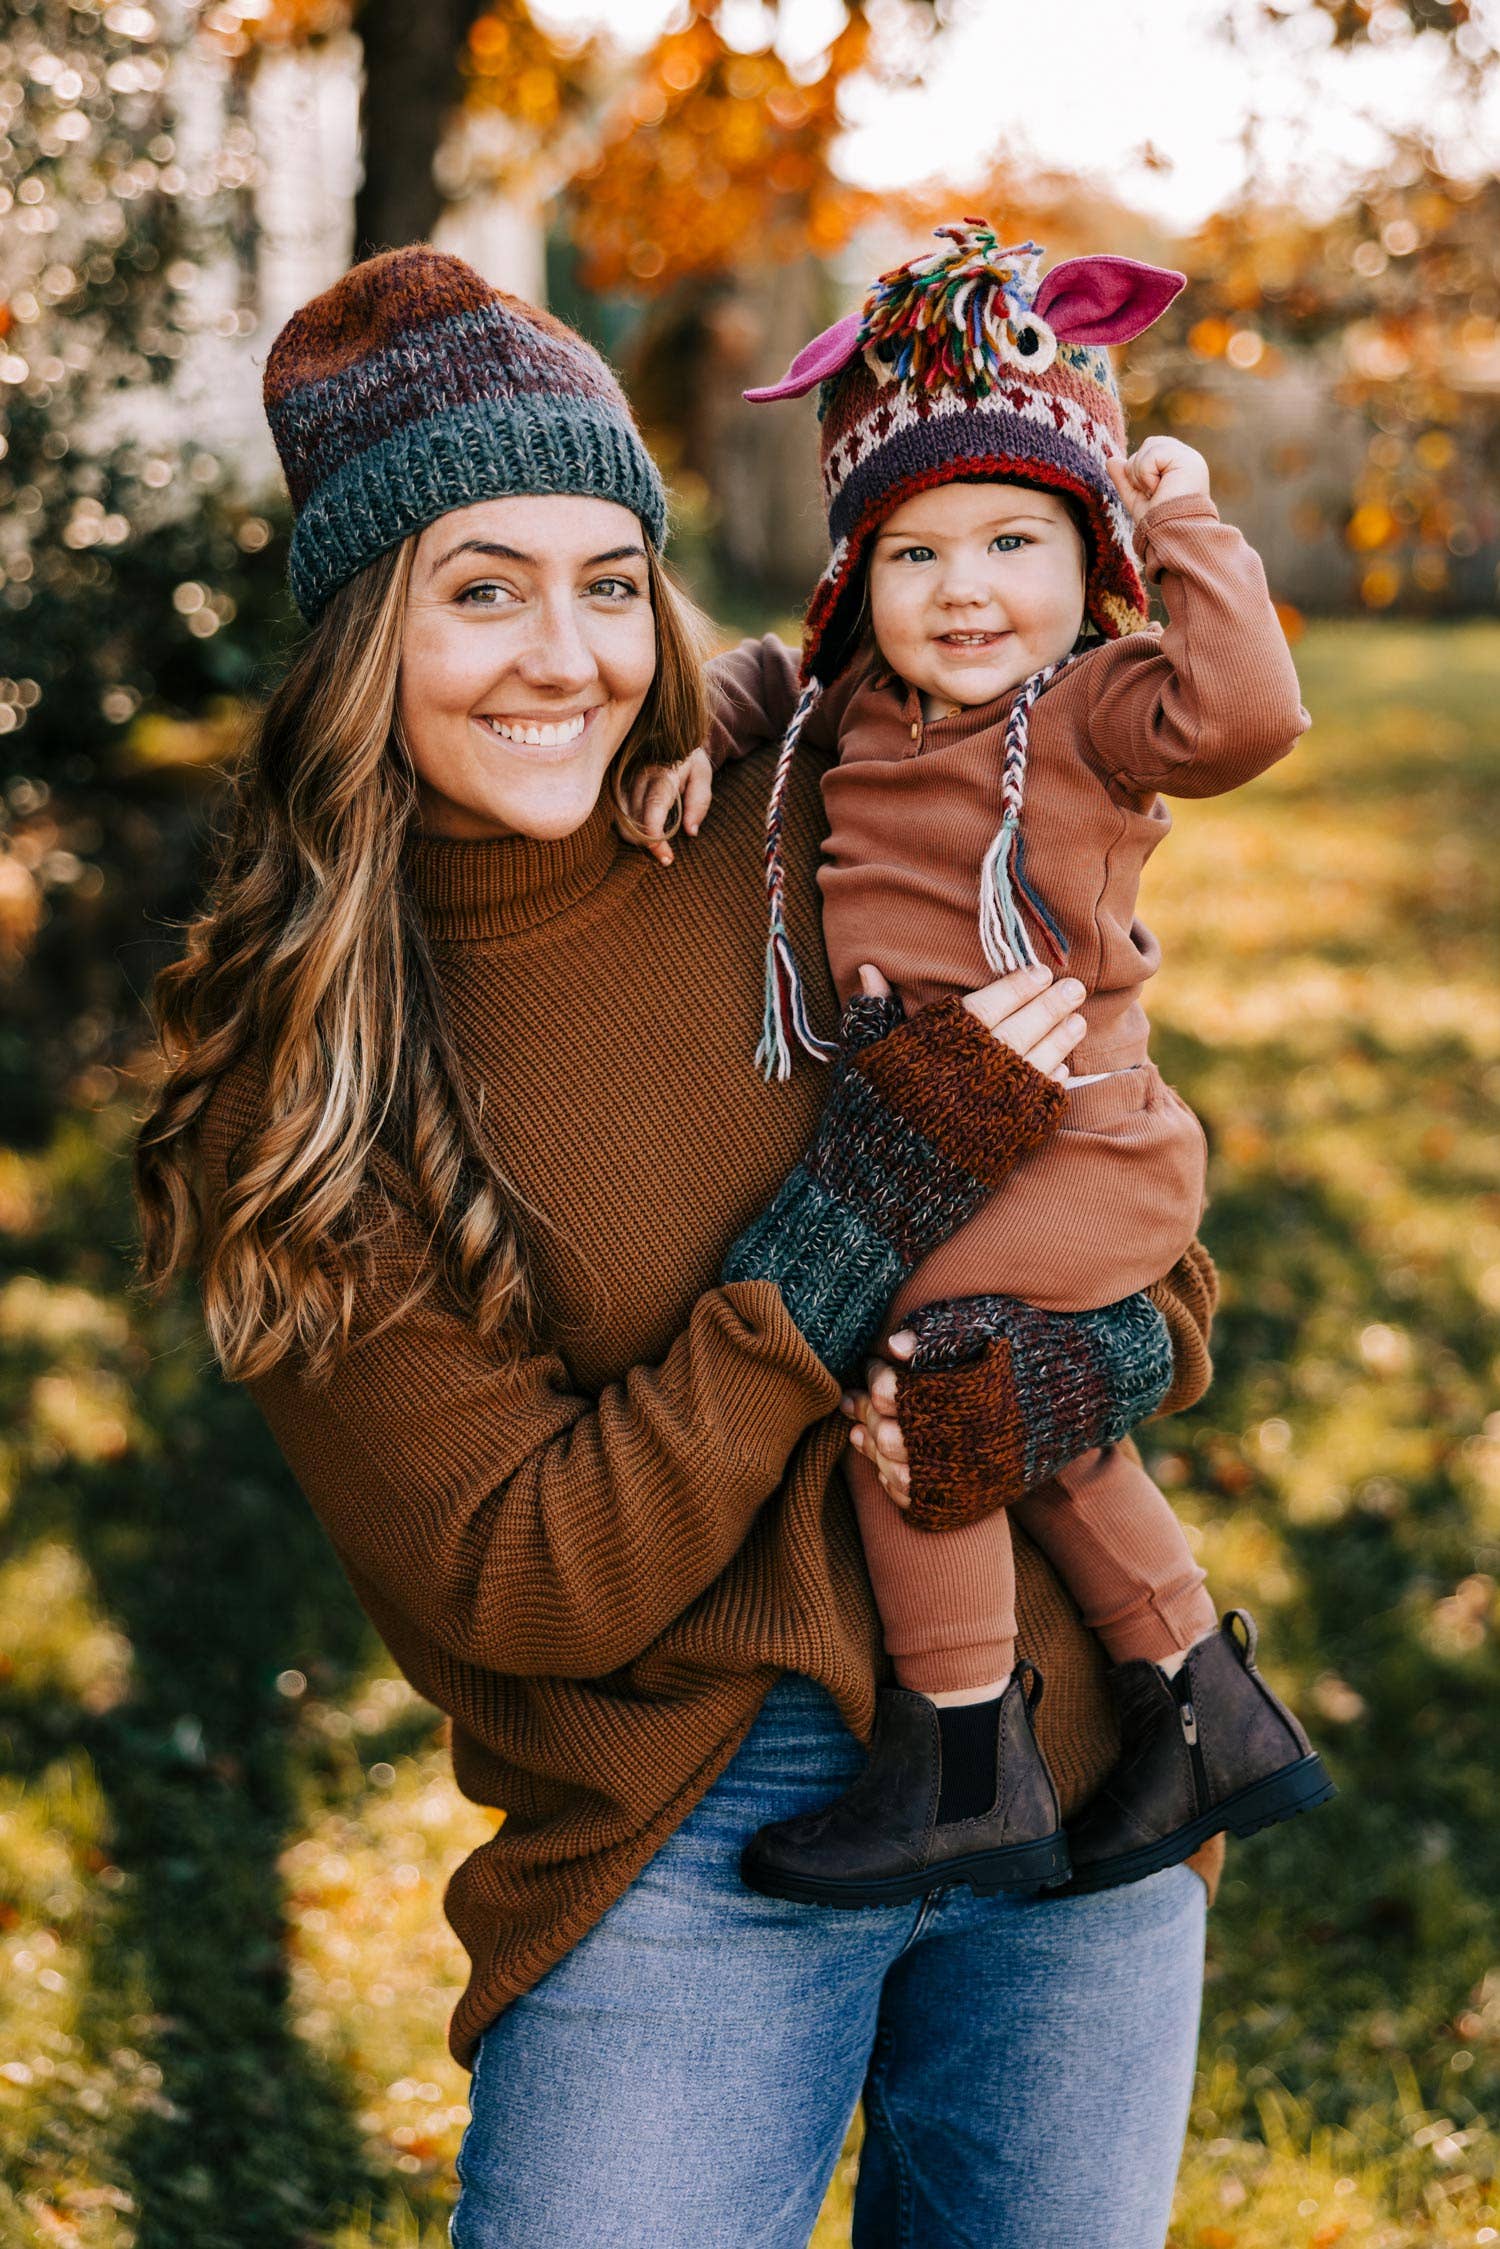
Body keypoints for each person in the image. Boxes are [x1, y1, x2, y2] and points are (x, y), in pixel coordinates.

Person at [135, 245, 1225, 2248]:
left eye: (610, 582)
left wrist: (1090, 1376)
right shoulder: (302, 1086)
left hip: (1076, 1762)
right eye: (483, 589)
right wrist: (847, 1231)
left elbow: (1133, 1215)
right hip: (689, 1819)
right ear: (362, 630)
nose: (566, 658)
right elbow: (522, 1579)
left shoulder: (802, 807)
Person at [634, 224, 1333, 1908]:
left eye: (1015, 541)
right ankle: (1202, 1703)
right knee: (1039, 1419)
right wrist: (699, 731)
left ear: (1082, 558)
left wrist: (1180, 516)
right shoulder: (855, 700)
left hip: (1080, 1147)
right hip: (974, 1139)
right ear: (856, 581)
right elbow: (760, 675)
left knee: (926, 1381)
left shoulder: (1093, 705)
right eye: (915, 552)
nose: (964, 591)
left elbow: (1248, 715)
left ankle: (958, 1750)